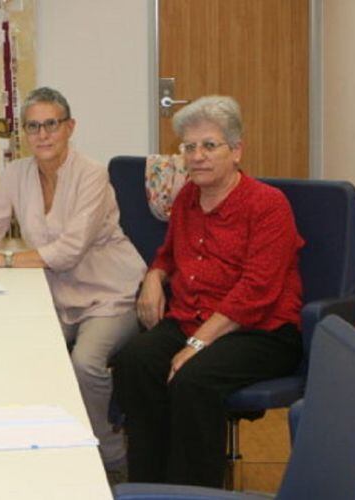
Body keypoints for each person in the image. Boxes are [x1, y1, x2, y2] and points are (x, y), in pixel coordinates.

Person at [113, 96, 304, 487]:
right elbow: (167, 254)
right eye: (189, 147)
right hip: (193, 318)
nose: (197, 156)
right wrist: (154, 277)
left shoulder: (269, 205)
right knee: (135, 362)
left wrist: (196, 345)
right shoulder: (187, 198)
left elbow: (257, 291)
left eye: (209, 145)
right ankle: (149, 488)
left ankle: (194, 493)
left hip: (261, 331)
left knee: (193, 380)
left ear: (236, 151)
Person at [0, 87, 145, 477]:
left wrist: (0, 259)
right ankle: (47, 452)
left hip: (111, 292)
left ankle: (110, 456)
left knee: (85, 364)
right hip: (58, 295)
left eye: (51, 125)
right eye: (33, 127)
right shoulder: (17, 173)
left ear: (69, 127)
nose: (42, 135)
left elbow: (69, 250)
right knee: (25, 354)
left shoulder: (92, 174)